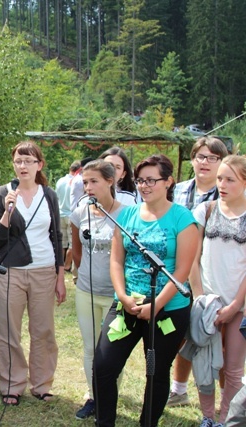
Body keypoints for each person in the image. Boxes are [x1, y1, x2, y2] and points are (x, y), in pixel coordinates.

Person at [93, 154, 198, 427]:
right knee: (103, 367)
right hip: (127, 304)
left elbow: (182, 273)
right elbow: (117, 260)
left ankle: (147, 423)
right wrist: (123, 297)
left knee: (156, 372)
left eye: (151, 180)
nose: (144, 186)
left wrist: (157, 305)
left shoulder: (183, 219)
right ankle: (105, 422)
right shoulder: (126, 216)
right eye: (140, 180)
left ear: (168, 182)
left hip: (168, 310)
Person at [0, 141, 65, 406]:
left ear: (39, 165)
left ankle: (42, 383)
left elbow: (57, 236)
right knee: (8, 331)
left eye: (29, 161)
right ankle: (12, 384)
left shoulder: (49, 195)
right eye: (18, 161)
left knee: (43, 330)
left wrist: (60, 275)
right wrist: (8, 213)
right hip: (10, 271)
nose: (23, 166)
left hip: (44, 270)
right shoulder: (2, 194)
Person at [168, 136, 230, 407]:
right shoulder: (179, 189)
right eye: (200, 156)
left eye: (212, 158)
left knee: (222, 342)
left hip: (216, 274)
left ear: (221, 162)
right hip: (178, 273)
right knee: (185, 333)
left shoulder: (229, 194)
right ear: (192, 159)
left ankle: (226, 400)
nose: (204, 163)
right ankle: (178, 390)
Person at [189, 155, 246, 427]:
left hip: (239, 305)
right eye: (220, 178)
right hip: (205, 303)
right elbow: (192, 257)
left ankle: (226, 420)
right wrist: (200, 298)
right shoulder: (205, 210)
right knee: (204, 364)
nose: (221, 184)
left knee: (233, 369)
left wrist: (235, 305)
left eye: (229, 179)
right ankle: (207, 417)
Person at [70, 160, 124, 420]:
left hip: (116, 295)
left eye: (94, 181)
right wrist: (78, 273)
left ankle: (109, 397)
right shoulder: (81, 210)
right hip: (86, 291)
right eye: (85, 182)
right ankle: (94, 397)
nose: (88, 187)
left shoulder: (127, 212)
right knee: (91, 348)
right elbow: (75, 249)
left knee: (111, 352)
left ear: (110, 181)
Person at [56, 160, 81, 271]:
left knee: (62, 242)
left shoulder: (60, 181)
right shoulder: (77, 182)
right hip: (71, 215)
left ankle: (60, 264)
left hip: (60, 213)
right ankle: (67, 265)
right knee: (72, 243)